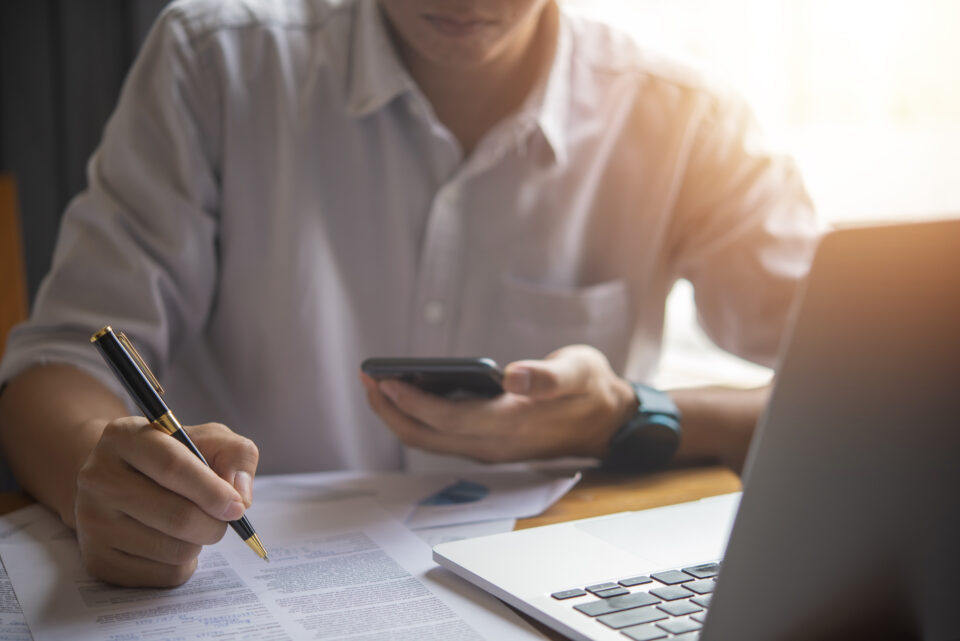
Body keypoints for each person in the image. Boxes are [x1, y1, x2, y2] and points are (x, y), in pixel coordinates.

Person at [0, 0, 819, 588]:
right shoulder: (215, 64)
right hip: (242, 587)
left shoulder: (683, 119)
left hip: (549, 591)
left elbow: (865, 388)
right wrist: (96, 475)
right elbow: (56, 366)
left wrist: (630, 414)